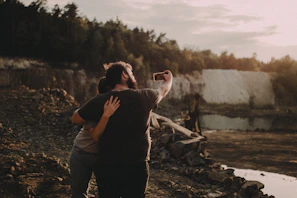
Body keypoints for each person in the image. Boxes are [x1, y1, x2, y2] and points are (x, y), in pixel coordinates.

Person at [71, 61, 173, 198]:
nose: (133, 76)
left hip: (107, 166)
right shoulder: (145, 96)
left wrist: (98, 112)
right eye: (131, 73)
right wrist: (169, 80)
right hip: (136, 165)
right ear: (124, 75)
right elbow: (163, 90)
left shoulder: (101, 100)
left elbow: (75, 119)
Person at [69, 77, 120, 198]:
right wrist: (106, 115)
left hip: (103, 157)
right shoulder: (96, 108)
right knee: (78, 193)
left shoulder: (117, 108)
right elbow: (96, 136)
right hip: (82, 154)